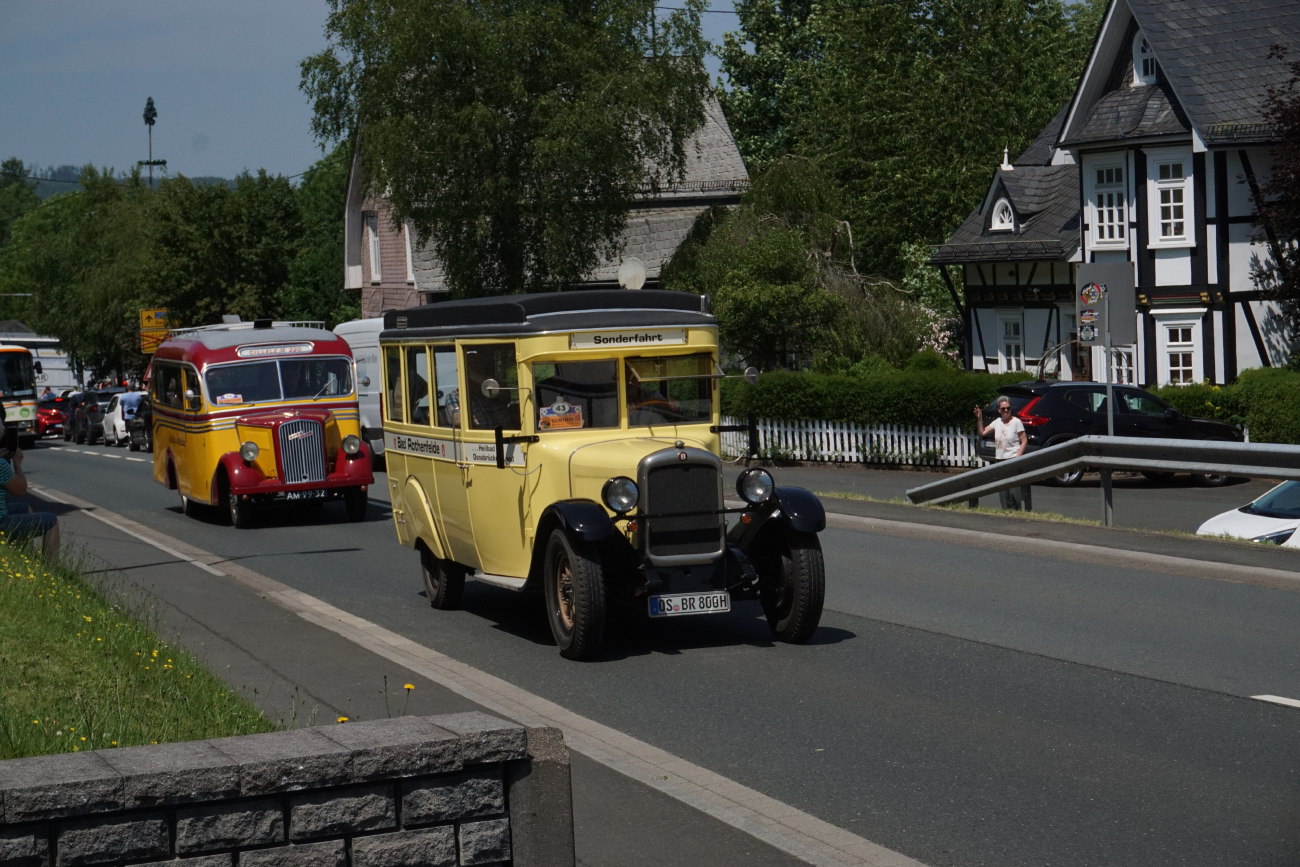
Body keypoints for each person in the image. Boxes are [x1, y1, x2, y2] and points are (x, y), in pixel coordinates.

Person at [0, 447, 60, 559]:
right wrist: (17, 464)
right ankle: (50, 571)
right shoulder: (1, 465)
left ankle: (27, 557)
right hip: (1, 521)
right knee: (51, 521)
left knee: (24, 508)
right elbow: (20, 489)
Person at [974, 397, 1027, 510]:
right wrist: (979, 418)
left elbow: (1024, 441)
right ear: (999, 410)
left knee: (1014, 492)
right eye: (1003, 409)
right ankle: (1006, 513)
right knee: (1003, 492)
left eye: (1008, 408)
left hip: (1012, 459)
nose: (1006, 411)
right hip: (1000, 460)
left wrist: (1017, 458)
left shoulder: (1016, 422)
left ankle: (1017, 513)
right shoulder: (997, 422)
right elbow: (982, 432)